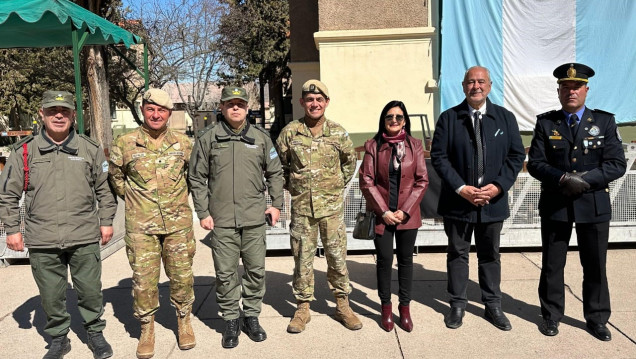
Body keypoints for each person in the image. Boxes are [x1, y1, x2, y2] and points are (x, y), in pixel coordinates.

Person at [0, 90, 116, 359]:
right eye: (52, 111)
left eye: (64, 111)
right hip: (43, 237)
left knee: (89, 291)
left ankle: (95, 333)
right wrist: (13, 229)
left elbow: (104, 190)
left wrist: (107, 221)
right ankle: (59, 338)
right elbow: (8, 194)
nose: (59, 115)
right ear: (42, 114)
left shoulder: (90, 148)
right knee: (51, 295)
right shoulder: (24, 152)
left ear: (73, 115)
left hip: (83, 234)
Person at [527, 63, 626, 341]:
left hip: (593, 204)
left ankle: (597, 318)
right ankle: (551, 316)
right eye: (566, 87)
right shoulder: (547, 122)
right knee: (552, 264)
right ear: (559, 91)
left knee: (595, 265)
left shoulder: (604, 122)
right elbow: (535, 163)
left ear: (586, 89)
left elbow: (617, 164)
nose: (571, 91)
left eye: (576, 87)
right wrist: (561, 179)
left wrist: (585, 180)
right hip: (556, 205)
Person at [430, 66, 525, 331]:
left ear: (490, 86)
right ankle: (457, 305)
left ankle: (493, 305)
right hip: (458, 202)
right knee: (457, 254)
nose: (476, 86)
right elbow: (439, 156)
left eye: (481, 81)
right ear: (463, 86)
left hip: (492, 202)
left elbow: (516, 156)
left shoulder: (505, 118)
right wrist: (461, 188)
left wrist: (498, 186)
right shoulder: (449, 118)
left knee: (490, 255)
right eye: (471, 82)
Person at [189, 86, 284, 349]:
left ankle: (251, 316)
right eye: (230, 103)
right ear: (221, 107)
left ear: (247, 107)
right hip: (221, 221)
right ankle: (231, 320)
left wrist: (276, 205)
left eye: (240, 104)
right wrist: (203, 212)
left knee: (255, 271)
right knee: (226, 273)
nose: (235, 108)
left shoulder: (261, 138)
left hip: (254, 219)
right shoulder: (208, 138)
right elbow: (196, 177)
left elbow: (275, 172)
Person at [109, 88, 196, 358]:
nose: (155, 114)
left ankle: (183, 321)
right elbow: (116, 178)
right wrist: (139, 201)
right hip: (141, 226)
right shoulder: (125, 142)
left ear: (169, 113)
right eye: (150, 109)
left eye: (161, 110)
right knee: (144, 282)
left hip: (177, 225)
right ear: (143, 111)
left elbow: (194, 178)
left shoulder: (184, 143)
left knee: (181, 276)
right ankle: (147, 329)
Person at [276, 79, 362, 333]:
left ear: (326, 102)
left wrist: (333, 188)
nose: (315, 103)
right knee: (302, 259)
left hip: (332, 210)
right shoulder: (290, 132)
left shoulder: (338, 132)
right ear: (302, 102)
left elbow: (349, 163)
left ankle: (342, 304)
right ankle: (302, 307)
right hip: (303, 211)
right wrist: (294, 187)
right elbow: (279, 166)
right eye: (310, 99)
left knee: (337, 259)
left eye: (319, 99)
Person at [359, 100, 429, 332]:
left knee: (406, 261)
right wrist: (384, 211)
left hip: (407, 215)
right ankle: (386, 308)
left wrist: (405, 210)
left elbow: (422, 180)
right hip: (382, 215)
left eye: (399, 117)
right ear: (383, 120)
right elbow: (367, 180)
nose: (394, 121)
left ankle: (405, 308)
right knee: (385, 261)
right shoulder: (373, 145)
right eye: (390, 117)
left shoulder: (414, 145)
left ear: (405, 120)